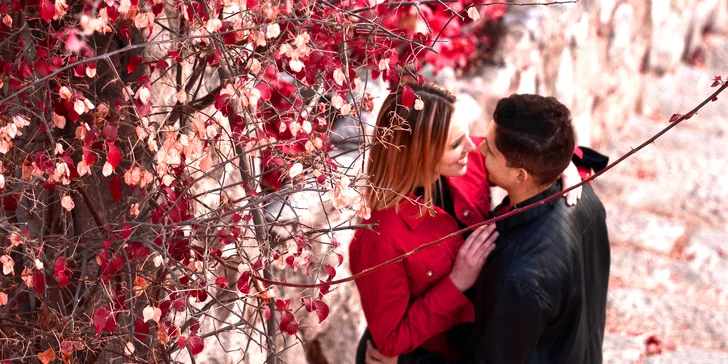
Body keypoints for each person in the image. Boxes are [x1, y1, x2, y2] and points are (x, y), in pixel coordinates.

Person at [350, 83, 585, 364]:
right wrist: (455, 282)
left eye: (465, 134)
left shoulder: (466, 161)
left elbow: (526, 154)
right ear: (420, 154)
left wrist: (560, 165)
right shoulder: (379, 238)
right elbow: (390, 340)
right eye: (455, 144)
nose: (473, 147)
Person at [470, 94, 610, 364]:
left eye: (490, 149)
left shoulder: (518, 277)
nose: (479, 150)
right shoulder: (586, 199)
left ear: (520, 175)